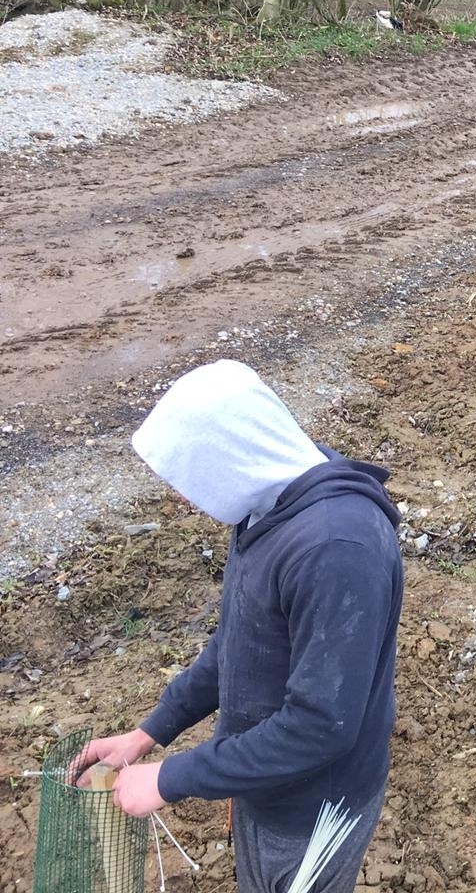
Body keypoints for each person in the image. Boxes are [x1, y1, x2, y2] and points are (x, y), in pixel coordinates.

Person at [72, 360, 403, 893]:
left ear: (229, 457)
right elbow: (240, 636)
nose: (184, 499)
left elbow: (321, 725)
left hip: (314, 807)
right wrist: (150, 732)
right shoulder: (267, 504)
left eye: (191, 479)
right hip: (263, 779)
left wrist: (170, 778)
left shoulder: (337, 550)